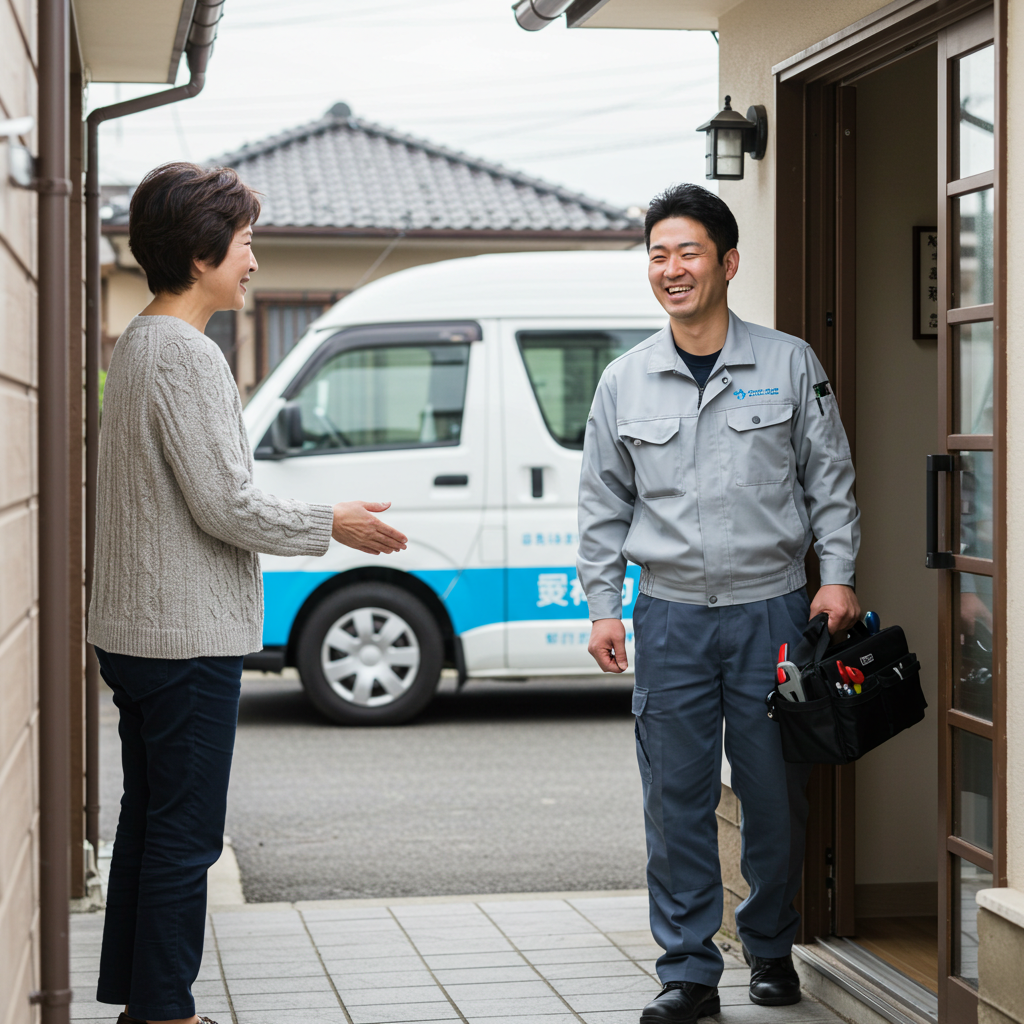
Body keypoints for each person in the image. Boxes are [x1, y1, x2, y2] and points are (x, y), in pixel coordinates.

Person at [87, 162, 408, 1024]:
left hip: (138, 630)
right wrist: (330, 521)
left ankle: (142, 1002)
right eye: (245, 243)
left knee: (150, 825)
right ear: (201, 255)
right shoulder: (187, 354)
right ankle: (166, 1013)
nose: (254, 261)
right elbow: (225, 503)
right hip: (183, 636)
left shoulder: (140, 344)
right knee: (183, 836)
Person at [577, 183, 860, 1024]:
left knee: (774, 793)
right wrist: (603, 606)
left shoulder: (788, 362)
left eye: (689, 251)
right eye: (659, 254)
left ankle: (769, 946)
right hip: (667, 616)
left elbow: (830, 479)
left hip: (773, 612)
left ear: (728, 262)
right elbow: (602, 505)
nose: (672, 268)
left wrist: (837, 572)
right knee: (676, 796)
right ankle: (689, 969)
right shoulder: (624, 381)